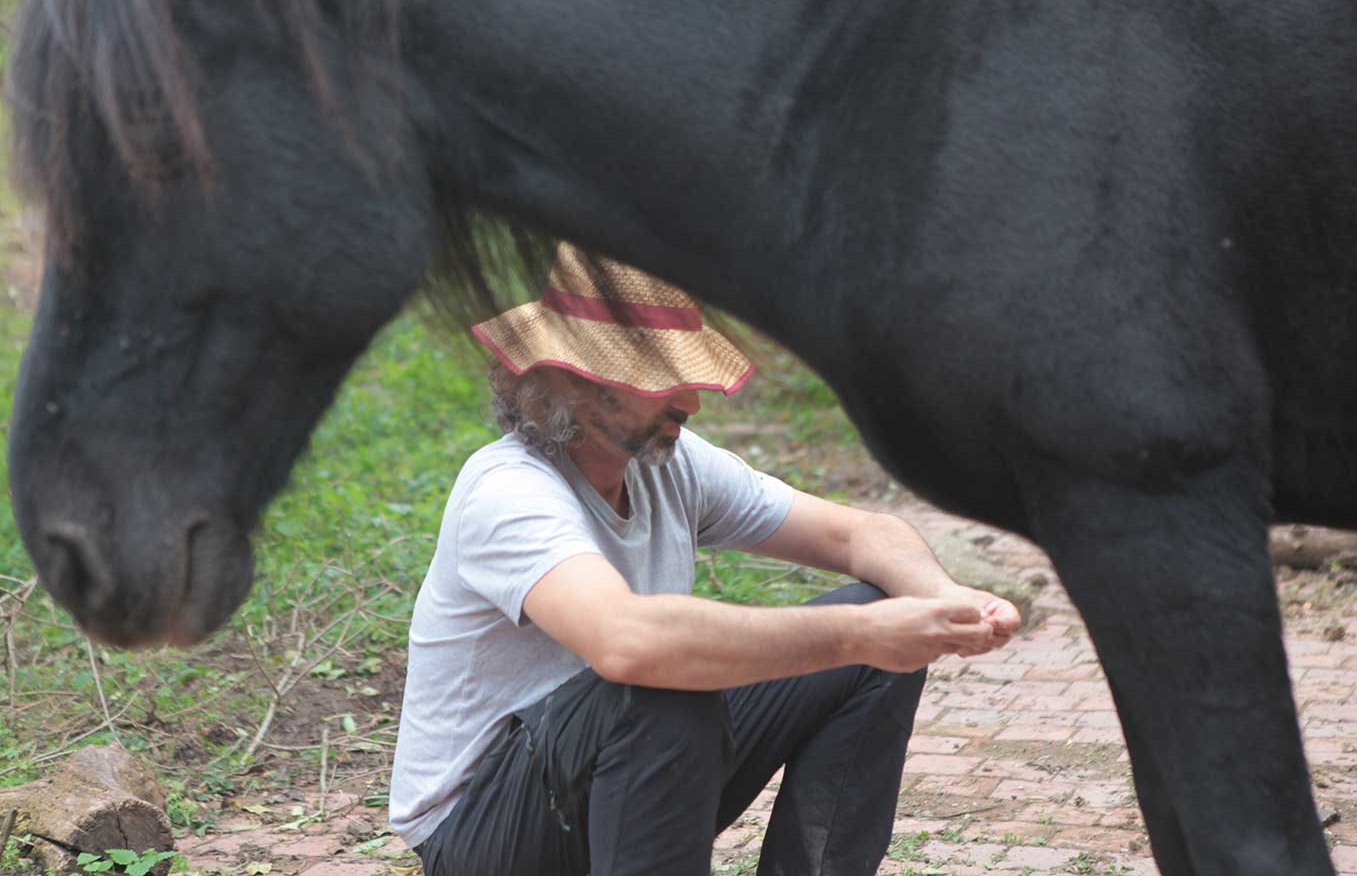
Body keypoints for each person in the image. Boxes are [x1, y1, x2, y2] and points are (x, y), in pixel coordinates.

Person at [388, 244, 1021, 876]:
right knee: (662, 688)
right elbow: (625, 643)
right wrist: (859, 634)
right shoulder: (508, 492)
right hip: (485, 833)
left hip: (628, 770)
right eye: (664, 376)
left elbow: (855, 534)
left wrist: (941, 596)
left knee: (877, 617)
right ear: (577, 381)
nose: (691, 402)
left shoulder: (667, 463)